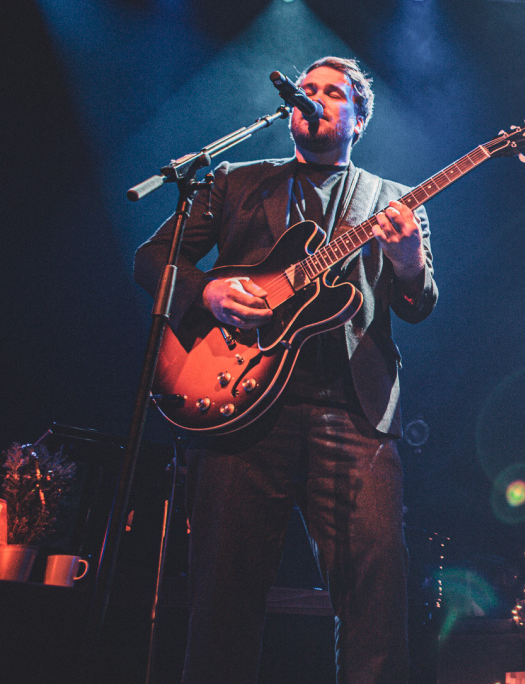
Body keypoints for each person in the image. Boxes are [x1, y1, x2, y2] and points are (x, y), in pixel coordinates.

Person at [135, 56, 438, 683]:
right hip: (238, 406)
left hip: (354, 413)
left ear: (359, 119)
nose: (315, 97)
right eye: (308, 89)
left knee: (375, 597)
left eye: (334, 92)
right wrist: (211, 293)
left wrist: (408, 258)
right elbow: (153, 259)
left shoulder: (393, 201)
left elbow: (419, 304)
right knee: (222, 596)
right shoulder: (237, 183)